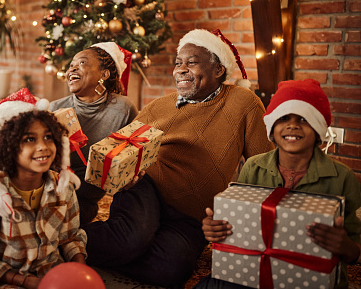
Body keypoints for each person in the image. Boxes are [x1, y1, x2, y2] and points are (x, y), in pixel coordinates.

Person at [83, 29, 274, 288]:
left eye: (192, 62)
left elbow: (264, 165)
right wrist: (124, 178)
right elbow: (119, 152)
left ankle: (93, 247)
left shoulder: (243, 102)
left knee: (170, 270)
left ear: (218, 69)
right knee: (131, 240)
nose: (181, 69)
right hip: (146, 186)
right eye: (178, 63)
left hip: (193, 214)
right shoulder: (157, 106)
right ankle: (63, 240)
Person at [199, 79, 361, 289]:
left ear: (318, 128)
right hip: (255, 272)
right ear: (272, 127)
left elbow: (356, 249)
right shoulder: (253, 167)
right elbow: (239, 229)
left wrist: (345, 246)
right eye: (283, 117)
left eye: (303, 119)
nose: (292, 125)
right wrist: (216, 229)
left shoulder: (343, 177)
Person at [0, 89, 86, 289]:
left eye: (48, 137)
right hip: (8, 282)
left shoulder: (64, 188)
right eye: (30, 139)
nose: (43, 146)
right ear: (8, 146)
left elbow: (71, 237)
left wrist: (80, 270)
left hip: (55, 277)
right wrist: (30, 282)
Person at [49, 42, 138, 225]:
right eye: (71, 64)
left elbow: (134, 154)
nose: (72, 68)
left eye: (81, 63)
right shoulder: (55, 108)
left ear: (104, 75)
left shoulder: (123, 109)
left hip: (86, 197)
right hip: (53, 188)